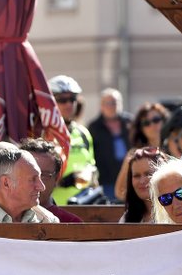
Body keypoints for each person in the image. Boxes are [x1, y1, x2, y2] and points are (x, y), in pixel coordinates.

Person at [48, 75, 96, 205]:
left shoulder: (83, 133)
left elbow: (91, 167)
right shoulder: (42, 134)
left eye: (72, 99)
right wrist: (64, 182)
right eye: (62, 100)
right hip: (52, 209)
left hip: (82, 206)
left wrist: (90, 174)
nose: (69, 104)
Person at [114, 102, 169, 202]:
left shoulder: (176, 148)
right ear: (141, 128)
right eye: (146, 123)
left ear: (164, 121)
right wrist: (143, 203)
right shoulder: (135, 154)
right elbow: (119, 191)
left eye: (156, 120)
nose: (152, 125)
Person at [19, 138, 82, 222]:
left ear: (56, 178)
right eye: (28, 174)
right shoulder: (0, 219)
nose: (37, 183)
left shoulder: (71, 223)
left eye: (43, 175)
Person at [86, 88, 132, 202]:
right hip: (106, 181)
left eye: (115, 102)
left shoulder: (130, 122)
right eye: (108, 103)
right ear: (101, 106)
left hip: (130, 179)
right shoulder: (94, 127)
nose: (111, 106)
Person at [119, 147, 170, 223]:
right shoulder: (127, 218)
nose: (142, 181)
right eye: (137, 176)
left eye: (148, 174)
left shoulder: (175, 214)